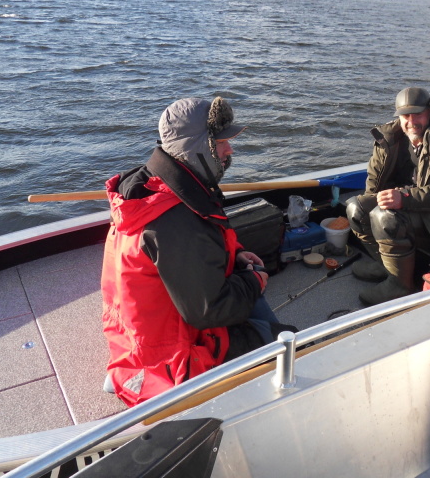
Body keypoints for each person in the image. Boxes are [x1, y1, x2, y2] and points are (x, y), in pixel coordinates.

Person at [101, 96, 292, 407]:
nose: (230, 150)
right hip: (173, 359)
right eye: (222, 142)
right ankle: (137, 382)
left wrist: (238, 254)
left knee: (253, 305)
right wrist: (256, 279)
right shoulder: (174, 222)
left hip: (134, 335)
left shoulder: (156, 185)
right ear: (198, 147)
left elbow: (203, 247)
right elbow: (211, 310)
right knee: (290, 342)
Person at [346, 86, 430, 306]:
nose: (411, 121)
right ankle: (385, 263)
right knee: (355, 208)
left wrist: (402, 198)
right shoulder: (389, 139)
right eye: (406, 115)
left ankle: (400, 285)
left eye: (418, 114)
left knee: (384, 217)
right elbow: (373, 181)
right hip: (410, 204)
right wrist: (375, 202)